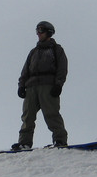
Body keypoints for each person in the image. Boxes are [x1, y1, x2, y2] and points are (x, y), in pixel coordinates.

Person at [13, 21, 69, 149]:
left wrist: (58, 85)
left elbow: (62, 69)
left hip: (48, 86)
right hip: (31, 87)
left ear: (48, 32)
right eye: (37, 31)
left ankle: (60, 140)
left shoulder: (56, 50)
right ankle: (24, 142)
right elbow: (25, 70)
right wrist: (21, 86)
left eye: (41, 30)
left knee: (52, 114)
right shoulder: (34, 52)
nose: (38, 33)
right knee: (27, 116)